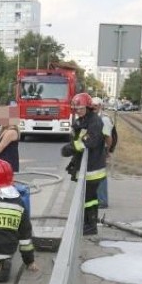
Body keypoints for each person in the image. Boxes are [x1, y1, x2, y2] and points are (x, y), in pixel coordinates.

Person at [64, 92, 106, 235]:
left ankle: (90, 225)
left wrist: (71, 147)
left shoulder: (95, 121)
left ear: (88, 107)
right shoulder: (81, 120)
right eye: (76, 109)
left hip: (93, 168)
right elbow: (77, 137)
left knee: (89, 198)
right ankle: (88, 223)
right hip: (84, 167)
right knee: (88, 198)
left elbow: (90, 141)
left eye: (81, 108)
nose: (78, 111)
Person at [91, 97, 114, 208]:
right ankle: (97, 198)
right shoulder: (93, 117)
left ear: (100, 106)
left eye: (95, 105)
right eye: (92, 105)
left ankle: (103, 200)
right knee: (95, 174)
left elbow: (108, 137)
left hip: (101, 150)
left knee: (100, 175)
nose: (93, 107)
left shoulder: (104, 119)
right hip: (95, 150)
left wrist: (107, 151)